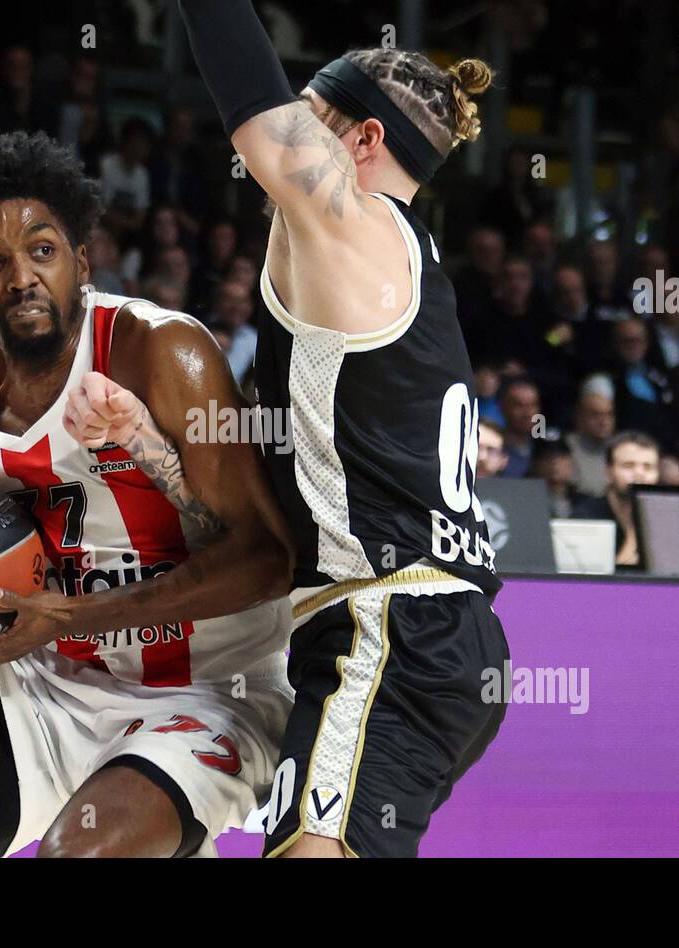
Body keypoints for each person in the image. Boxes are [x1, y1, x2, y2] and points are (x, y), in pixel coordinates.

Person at [0, 129, 294, 860]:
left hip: (211, 688)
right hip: (43, 689)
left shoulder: (162, 352)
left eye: (42, 250)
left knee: (81, 853)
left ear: (82, 263)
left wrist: (72, 614)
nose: (23, 275)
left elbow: (265, 560)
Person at [179, 1, 508, 858]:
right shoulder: (396, 263)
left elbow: (256, 120)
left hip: (389, 627)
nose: (294, 138)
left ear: (364, 140)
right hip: (423, 632)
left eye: (313, 118)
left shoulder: (353, 229)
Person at [571, 431, 660, 567]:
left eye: (648, 467)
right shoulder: (585, 518)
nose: (639, 474)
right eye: (628, 466)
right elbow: (586, 583)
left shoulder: (668, 517)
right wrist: (633, 534)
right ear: (609, 472)